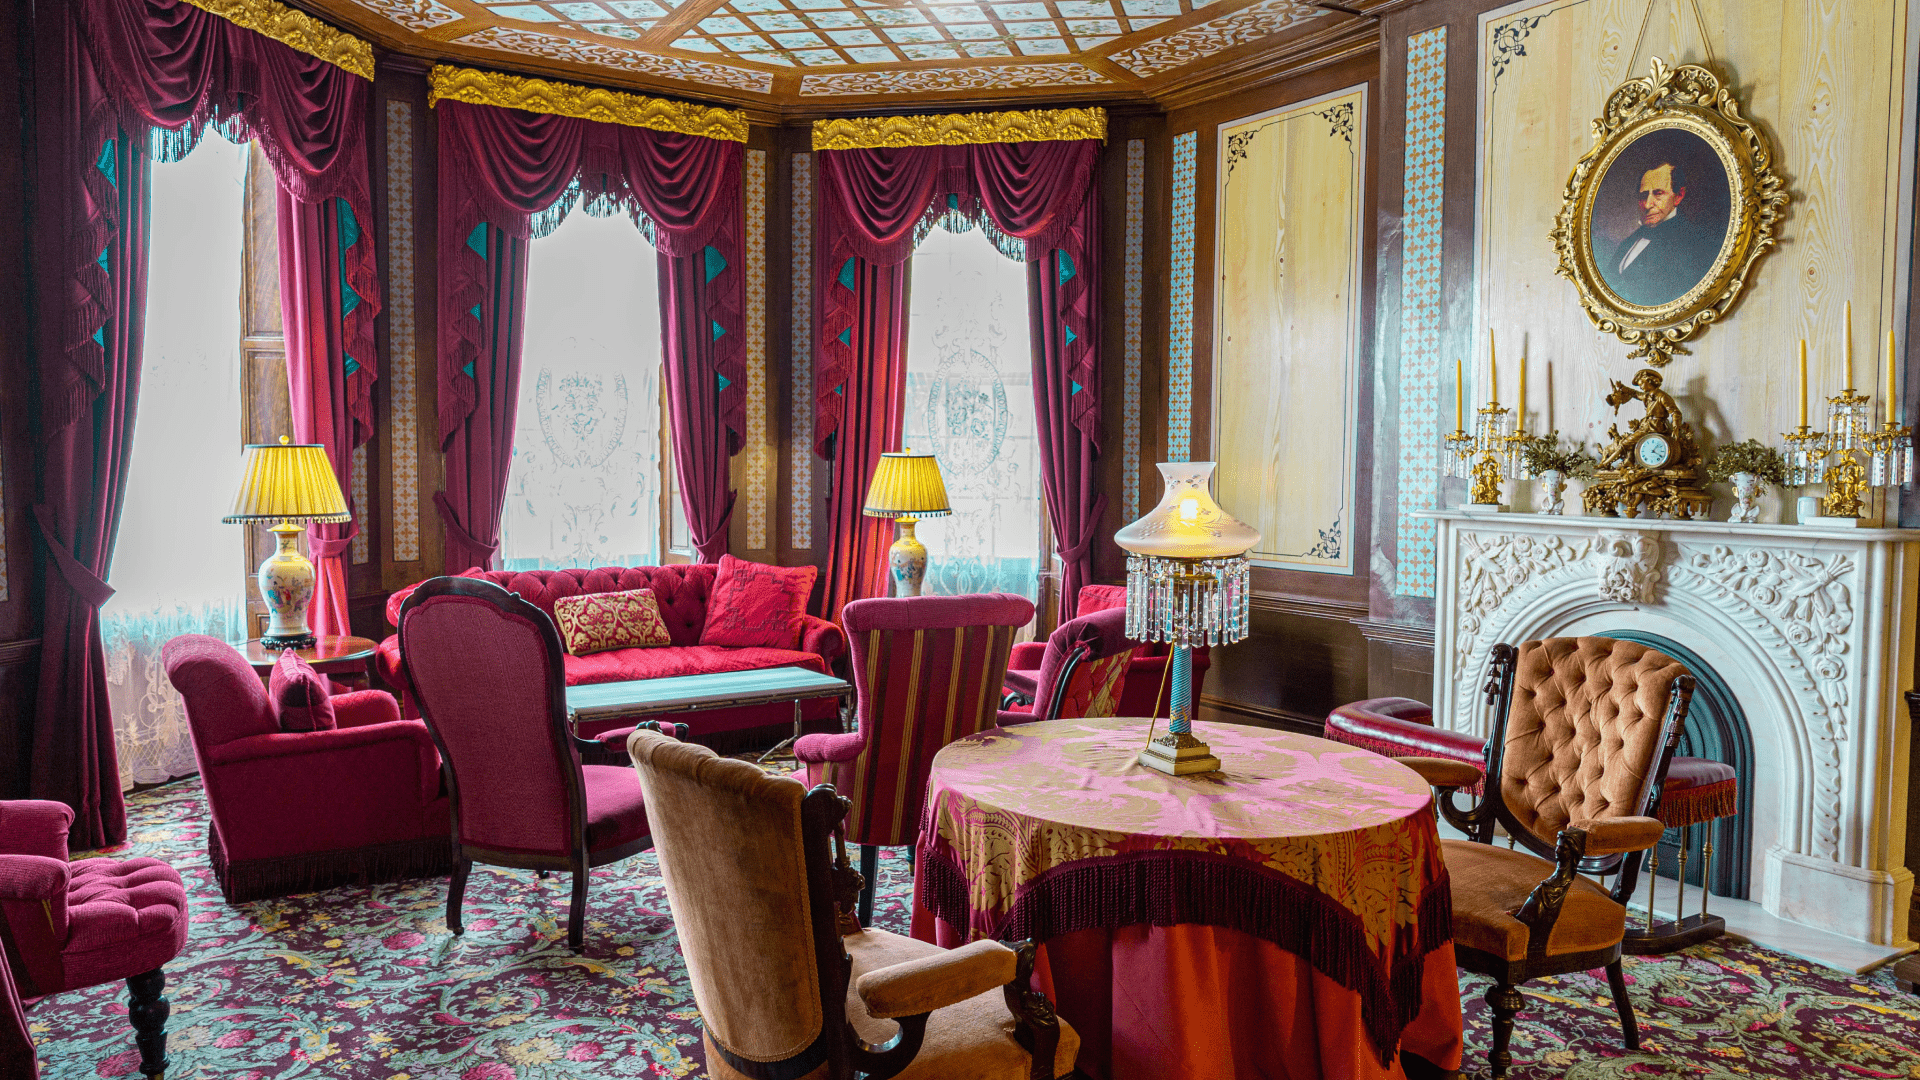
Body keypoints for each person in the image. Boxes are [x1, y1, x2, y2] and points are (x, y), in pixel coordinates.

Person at [1598, 160, 1720, 308]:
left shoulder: (1694, 243)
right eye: (1644, 196)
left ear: (1679, 196)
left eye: (1658, 193)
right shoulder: (1630, 241)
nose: (1648, 204)